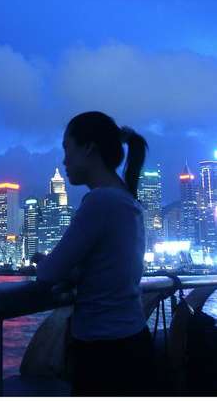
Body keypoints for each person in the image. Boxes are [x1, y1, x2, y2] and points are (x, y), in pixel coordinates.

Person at [31, 111, 155, 396]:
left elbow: (48, 273)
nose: (64, 160)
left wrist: (46, 263)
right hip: (132, 339)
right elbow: (110, 266)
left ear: (89, 149)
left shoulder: (101, 201)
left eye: (67, 148)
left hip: (105, 354)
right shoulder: (126, 199)